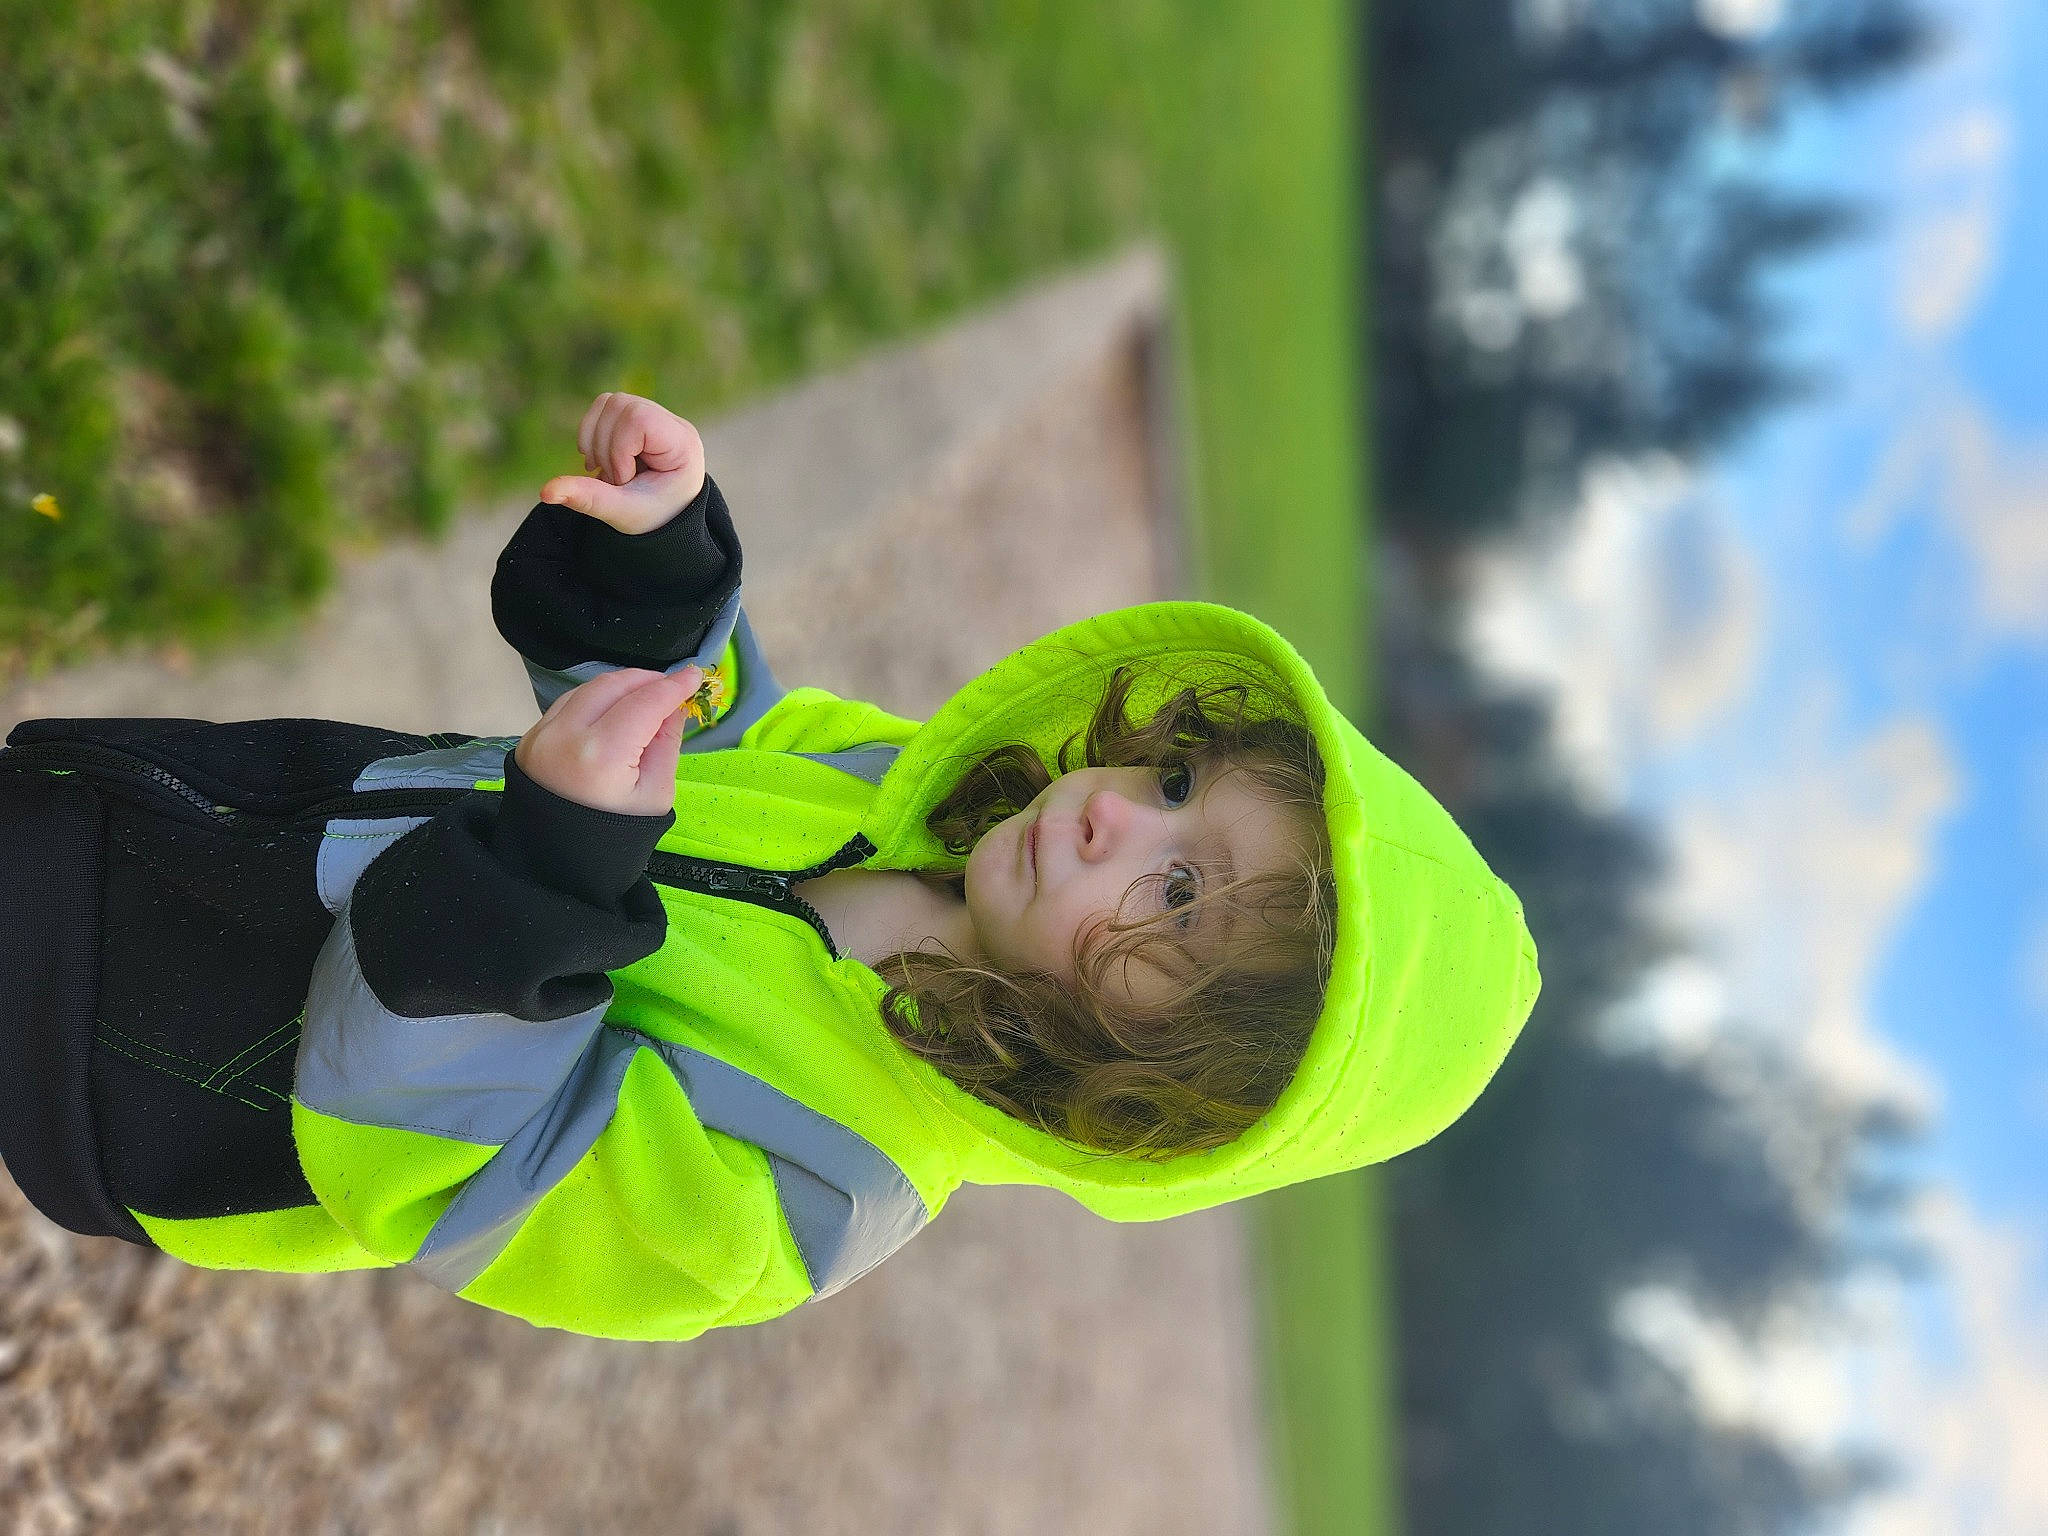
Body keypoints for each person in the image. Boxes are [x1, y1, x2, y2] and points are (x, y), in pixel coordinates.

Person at [0, 393, 1540, 1341]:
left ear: (1163, 1084)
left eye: (1181, 894)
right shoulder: (908, 800)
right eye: (1178, 780)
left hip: (142, 1062)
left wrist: (549, 865)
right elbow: (719, 734)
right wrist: (665, 575)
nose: (1111, 817)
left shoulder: (816, 1192)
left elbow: (456, 1167)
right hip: (210, 825)